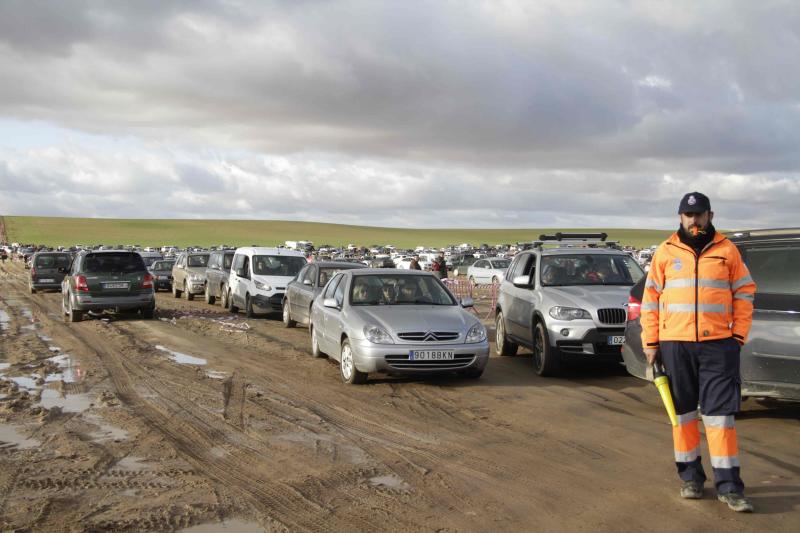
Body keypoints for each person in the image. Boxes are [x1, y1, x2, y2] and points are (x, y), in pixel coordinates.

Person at [641, 192, 756, 513]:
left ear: (710, 215)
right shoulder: (665, 253)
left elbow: (745, 292)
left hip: (719, 346)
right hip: (674, 345)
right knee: (684, 417)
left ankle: (730, 486)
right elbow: (650, 301)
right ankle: (691, 477)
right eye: (689, 215)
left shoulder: (727, 250)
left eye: (700, 215)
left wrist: (737, 337)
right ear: (680, 217)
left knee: (720, 419)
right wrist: (650, 344)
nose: (694, 221)